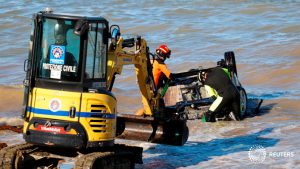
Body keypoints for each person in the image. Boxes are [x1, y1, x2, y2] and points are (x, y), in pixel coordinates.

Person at [135, 44, 174, 116]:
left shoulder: (151, 61)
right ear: (163, 55)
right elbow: (170, 76)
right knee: (155, 107)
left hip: (146, 88)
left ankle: (136, 117)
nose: (165, 58)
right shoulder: (161, 64)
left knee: (148, 107)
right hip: (153, 91)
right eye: (165, 56)